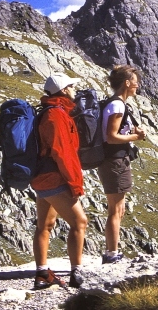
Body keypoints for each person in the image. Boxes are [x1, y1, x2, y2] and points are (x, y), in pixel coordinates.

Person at [31, 72, 88, 289]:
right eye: (72, 86)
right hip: (54, 178)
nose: (74, 90)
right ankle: (77, 274)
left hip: (41, 177)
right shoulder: (56, 115)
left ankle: (42, 274)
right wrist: (75, 184)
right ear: (64, 90)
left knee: (45, 225)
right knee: (79, 222)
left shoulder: (49, 111)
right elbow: (63, 152)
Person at [98, 65, 146, 264]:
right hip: (115, 160)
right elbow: (111, 136)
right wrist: (136, 136)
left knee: (119, 209)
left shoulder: (114, 104)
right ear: (127, 83)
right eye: (135, 81)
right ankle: (111, 254)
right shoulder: (117, 105)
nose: (138, 85)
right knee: (116, 210)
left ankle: (113, 252)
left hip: (114, 160)